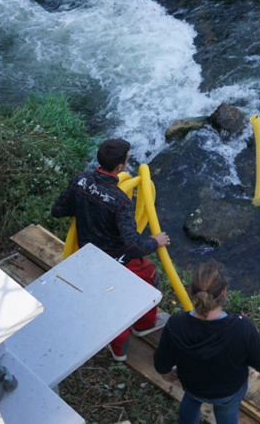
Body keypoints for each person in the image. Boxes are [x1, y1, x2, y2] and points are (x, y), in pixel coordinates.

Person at [51, 138, 170, 361]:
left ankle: (118, 351)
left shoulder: (80, 180)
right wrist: (156, 241)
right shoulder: (121, 201)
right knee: (151, 281)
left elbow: (57, 210)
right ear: (120, 167)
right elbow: (134, 247)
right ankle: (144, 325)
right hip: (117, 258)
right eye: (126, 160)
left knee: (109, 299)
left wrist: (88, 209)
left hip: (88, 255)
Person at [154, 261, 260, 424]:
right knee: (228, 417)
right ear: (224, 292)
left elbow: (162, 364)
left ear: (191, 291)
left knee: (191, 401)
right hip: (228, 392)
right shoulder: (243, 327)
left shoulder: (175, 324)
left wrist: (167, 374)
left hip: (193, 386)